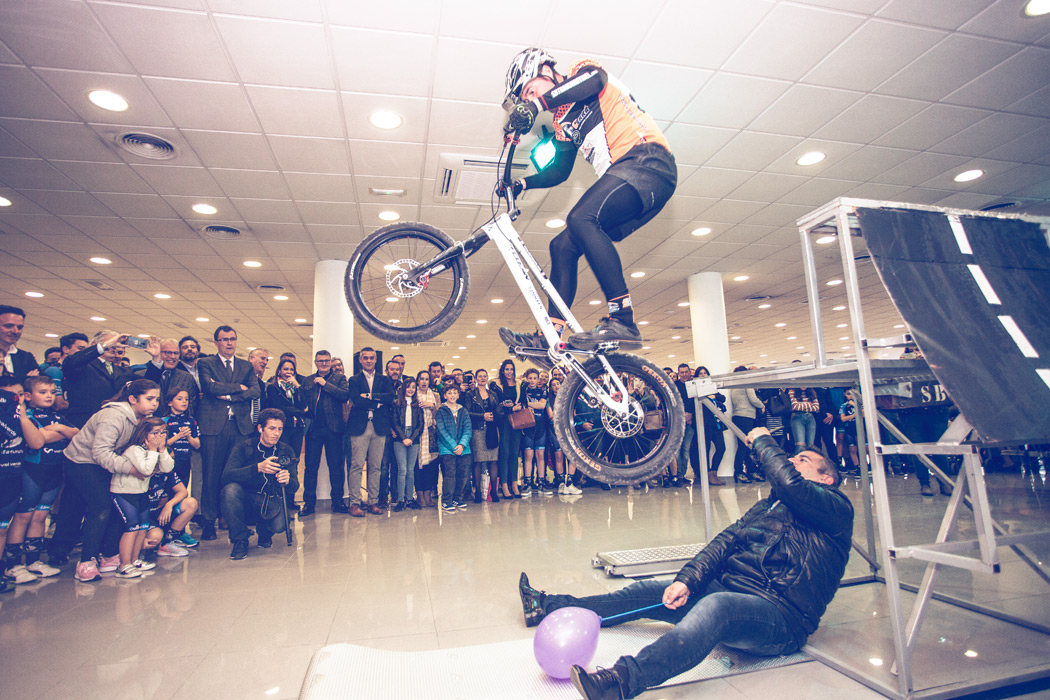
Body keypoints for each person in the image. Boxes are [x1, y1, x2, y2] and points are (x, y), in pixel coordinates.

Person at [518, 426, 853, 700]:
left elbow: (791, 484)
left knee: (718, 606)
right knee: (650, 591)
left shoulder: (836, 508)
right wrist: (687, 580)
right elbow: (724, 543)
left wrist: (763, 440)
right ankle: (547, 606)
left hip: (780, 616)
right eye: (792, 457)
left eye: (803, 459)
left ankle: (621, 682)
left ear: (826, 480)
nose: (793, 461)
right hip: (733, 594)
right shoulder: (770, 505)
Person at [497, 49, 677, 352]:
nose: (531, 99)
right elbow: (560, 172)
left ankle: (624, 319)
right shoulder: (560, 121)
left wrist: (537, 102)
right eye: (527, 96)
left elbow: (595, 80)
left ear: (546, 69)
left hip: (647, 161)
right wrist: (522, 183)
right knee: (562, 246)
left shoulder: (583, 71)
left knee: (580, 218)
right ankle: (549, 337)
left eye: (530, 89)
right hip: (629, 181)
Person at [51, 379, 161, 582]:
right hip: (81, 461)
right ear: (132, 399)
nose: (155, 403)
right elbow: (100, 453)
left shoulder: (142, 418)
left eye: (157, 399)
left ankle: (109, 556)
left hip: (105, 463)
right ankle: (86, 562)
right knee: (100, 507)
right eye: (150, 399)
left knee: (108, 505)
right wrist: (131, 469)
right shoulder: (112, 416)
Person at [3, 376, 77, 581]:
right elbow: (37, 439)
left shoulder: (58, 416)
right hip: (31, 472)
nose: (49, 396)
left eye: (53, 392)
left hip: (53, 473)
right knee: (23, 517)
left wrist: (58, 429)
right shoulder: (24, 415)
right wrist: (55, 433)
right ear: (27, 396)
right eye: (43, 392)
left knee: (40, 517)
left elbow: (76, 433)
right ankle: (13, 565)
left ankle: (33, 561)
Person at [196, 326, 260, 541]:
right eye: (224, 339)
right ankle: (208, 521)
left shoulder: (245, 366)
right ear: (216, 342)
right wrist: (238, 388)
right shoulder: (205, 363)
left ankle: (231, 518)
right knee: (211, 475)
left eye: (233, 339)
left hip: (240, 427)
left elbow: (255, 391)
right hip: (213, 427)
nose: (229, 343)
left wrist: (230, 395)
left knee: (235, 474)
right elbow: (209, 387)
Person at [220, 408, 298, 560]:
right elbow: (227, 476)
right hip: (245, 499)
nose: (276, 433)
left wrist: (288, 480)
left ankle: (265, 532)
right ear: (260, 428)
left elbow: (294, 486)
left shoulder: (285, 450)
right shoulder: (244, 447)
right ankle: (240, 540)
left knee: (281, 524)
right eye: (272, 428)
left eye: (280, 429)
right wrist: (258, 468)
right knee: (230, 491)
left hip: (269, 500)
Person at [110, 417, 173, 579]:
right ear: (144, 433)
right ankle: (124, 564)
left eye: (163, 432)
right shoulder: (134, 450)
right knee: (132, 528)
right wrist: (153, 450)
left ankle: (135, 559)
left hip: (141, 493)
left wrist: (161, 450)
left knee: (143, 527)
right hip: (125, 493)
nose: (159, 436)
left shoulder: (156, 449)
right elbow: (146, 469)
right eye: (155, 433)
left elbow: (167, 468)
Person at [0, 375, 47, 592]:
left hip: (12, 478)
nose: (17, 399)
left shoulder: (23, 417)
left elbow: (37, 442)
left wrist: (20, 416)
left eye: (19, 395)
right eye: (10, 396)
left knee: (2, 530)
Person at [346, 347, 395, 517]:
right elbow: (357, 401)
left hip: (379, 427)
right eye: (365, 358)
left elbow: (390, 398)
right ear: (360, 360)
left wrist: (370, 396)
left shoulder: (384, 379)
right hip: (360, 427)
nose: (368, 360)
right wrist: (377, 401)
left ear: (376, 360)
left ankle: (373, 502)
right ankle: (355, 503)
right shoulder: (353, 380)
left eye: (371, 358)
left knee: (376, 467)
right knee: (357, 465)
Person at [301, 350, 349, 517]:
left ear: (330, 362)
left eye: (326, 361)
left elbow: (344, 396)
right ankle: (308, 503)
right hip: (313, 429)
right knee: (310, 467)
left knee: (336, 467)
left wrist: (324, 384)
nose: (323, 363)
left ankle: (338, 501)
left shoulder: (339, 379)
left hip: (334, 429)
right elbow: (302, 399)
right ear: (315, 362)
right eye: (320, 361)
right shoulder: (308, 380)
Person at [63, 330, 135, 428]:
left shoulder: (123, 371)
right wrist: (105, 345)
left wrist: (156, 359)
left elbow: (147, 385)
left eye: (114, 345)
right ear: (94, 345)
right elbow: (73, 362)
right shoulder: (82, 366)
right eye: (110, 344)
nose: (112, 348)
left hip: (112, 424)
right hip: (83, 423)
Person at [388, 378, 423, 512]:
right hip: (400, 437)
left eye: (413, 387)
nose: (411, 389)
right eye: (408, 387)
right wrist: (403, 438)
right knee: (402, 470)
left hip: (413, 438)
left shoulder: (417, 405)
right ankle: (400, 500)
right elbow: (394, 422)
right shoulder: (396, 404)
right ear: (404, 388)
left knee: (410, 470)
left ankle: (410, 499)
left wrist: (411, 439)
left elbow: (421, 424)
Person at [466, 368, 500, 503]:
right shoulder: (470, 394)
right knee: (478, 461)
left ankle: (494, 491)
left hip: (492, 430)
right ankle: (478, 492)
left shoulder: (493, 393)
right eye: (479, 376)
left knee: (493, 460)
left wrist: (495, 415)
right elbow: (467, 412)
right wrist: (482, 416)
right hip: (478, 430)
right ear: (475, 378)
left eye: (484, 376)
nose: (482, 378)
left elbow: (498, 410)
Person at [436, 384, 472, 512]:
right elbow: (441, 430)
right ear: (445, 395)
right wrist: (454, 446)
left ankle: (457, 498)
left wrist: (462, 444)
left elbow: (468, 429)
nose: (452, 395)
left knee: (463, 474)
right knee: (450, 474)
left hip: (464, 448)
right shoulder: (441, 410)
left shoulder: (463, 410)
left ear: (458, 395)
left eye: (455, 393)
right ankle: (446, 500)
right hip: (447, 448)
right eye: (449, 393)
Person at [144, 338, 200, 417]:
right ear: (159, 353)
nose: (172, 356)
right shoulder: (145, 374)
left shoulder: (187, 377)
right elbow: (145, 394)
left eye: (176, 353)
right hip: (151, 422)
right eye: (168, 353)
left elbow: (191, 404)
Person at [729, 366, 766, 484]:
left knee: (745, 445)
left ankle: (750, 470)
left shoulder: (734, 385)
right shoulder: (746, 383)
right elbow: (753, 399)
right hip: (746, 416)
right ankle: (739, 471)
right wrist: (762, 405)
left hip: (737, 416)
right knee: (745, 445)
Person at [495, 359, 524, 499]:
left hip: (517, 421)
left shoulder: (519, 385)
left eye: (511, 369)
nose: (509, 372)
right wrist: (509, 407)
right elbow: (499, 405)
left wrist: (518, 406)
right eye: (506, 369)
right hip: (504, 422)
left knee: (514, 453)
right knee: (505, 453)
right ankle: (504, 485)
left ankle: (514, 484)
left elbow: (523, 400)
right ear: (502, 370)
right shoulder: (498, 385)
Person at [265, 358, 307, 457]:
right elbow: (280, 408)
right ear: (279, 371)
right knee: (282, 457)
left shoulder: (295, 388)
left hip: (297, 428)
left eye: (291, 369)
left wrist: (297, 386)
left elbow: (304, 404)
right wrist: (301, 412)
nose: (289, 372)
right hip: (283, 427)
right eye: (286, 369)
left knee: (295, 458)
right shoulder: (273, 388)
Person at [693, 366, 727, 486]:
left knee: (721, 448)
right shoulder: (695, 389)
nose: (703, 375)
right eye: (700, 373)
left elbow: (723, 398)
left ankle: (713, 472)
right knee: (705, 450)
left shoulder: (711, 387)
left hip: (716, 423)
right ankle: (706, 475)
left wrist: (715, 396)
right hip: (704, 423)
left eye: (705, 373)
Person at [162, 388, 200, 489]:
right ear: (170, 402)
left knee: (184, 489)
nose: (184, 402)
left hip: (186, 460)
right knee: (168, 490)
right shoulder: (164, 421)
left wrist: (188, 436)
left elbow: (197, 445)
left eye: (187, 399)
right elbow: (162, 444)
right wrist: (178, 436)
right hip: (170, 460)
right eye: (180, 399)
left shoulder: (191, 420)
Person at [414, 370, 440, 508]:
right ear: (418, 381)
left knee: (431, 467)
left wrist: (432, 406)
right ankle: (420, 495)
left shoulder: (435, 395)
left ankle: (428, 495)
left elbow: (439, 413)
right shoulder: (413, 394)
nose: (424, 381)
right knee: (418, 467)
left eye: (426, 379)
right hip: (417, 433)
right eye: (421, 379)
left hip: (431, 433)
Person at [0, 305, 39, 382]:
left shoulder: (25, 357)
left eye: (19, 327)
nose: (15, 331)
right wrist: (26, 380)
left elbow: (42, 381)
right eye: (8, 326)